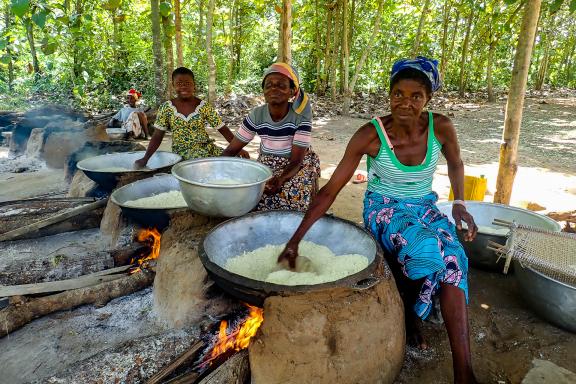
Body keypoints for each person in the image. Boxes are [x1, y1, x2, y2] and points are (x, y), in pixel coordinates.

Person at [277, 57, 478, 383]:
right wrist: (295, 239)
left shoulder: (440, 127)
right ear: (389, 95)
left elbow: (456, 163)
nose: (405, 103)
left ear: (427, 100)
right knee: (425, 248)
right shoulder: (371, 136)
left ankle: (463, 371)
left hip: (424, 206)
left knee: (455, 256)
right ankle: (412, 317)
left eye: (416, 96)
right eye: (398, 94)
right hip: (383, 208)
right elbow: (329, 192)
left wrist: (459, 203)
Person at [222, 62, 320, 212]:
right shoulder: (257, 115)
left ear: (292, 91)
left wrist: (280, 179)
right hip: (267, 162)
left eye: (281, 85)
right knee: (249, 197)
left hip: (295, 164)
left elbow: (296, 160)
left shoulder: (300, 118)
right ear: (264, 91)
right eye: (269, 85)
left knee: (289, 198)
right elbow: (231, 150)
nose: (274, 88)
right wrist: (213, 170)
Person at [135, 67, 248, 167]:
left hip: (206, 148)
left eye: (188, 83)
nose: (184, 87)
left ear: (194, 85)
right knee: (206, 166)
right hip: (183, 152)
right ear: (173, 86)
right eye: (179, 84)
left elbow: (223, 129)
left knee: (235, 162)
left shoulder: (204, 106)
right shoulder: (166, 108)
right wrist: (146, 158)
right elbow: (157, 136)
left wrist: (237, 149)